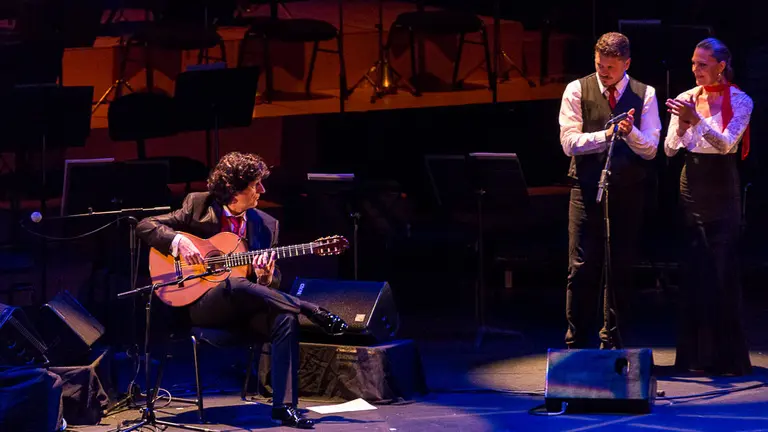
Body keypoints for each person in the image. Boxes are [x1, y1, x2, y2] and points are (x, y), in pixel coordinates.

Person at [137, 152, 348, 428]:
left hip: (243, 305)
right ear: (234, 190)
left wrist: (265, 278)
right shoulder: (198, 205)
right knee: (234, 283)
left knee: (284, 318)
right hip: (199, 305)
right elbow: (145, 225)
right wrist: (178, 241)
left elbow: (269, 286)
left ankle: (284, 407)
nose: (263, 190)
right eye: (256, 185)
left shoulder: (266, 224)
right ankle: (310, 308)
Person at [558, 32, 661, 349]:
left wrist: (630, 135)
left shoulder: (645, 94)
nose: (603, 72)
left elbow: (651, 149)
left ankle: (612, 340)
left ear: (626, 63)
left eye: (611, 68)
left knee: (619, 266)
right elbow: (569, 143)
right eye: (600, 65)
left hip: (627, 190)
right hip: (586, 188)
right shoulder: (577, 89)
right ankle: (576, 340)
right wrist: (607, 134)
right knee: (581, 266)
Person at [664, 38, 752, 376]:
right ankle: (693, 358)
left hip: (722, 186)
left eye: (702, 64)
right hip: (693, 185)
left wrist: (696, 121)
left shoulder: (742, 99)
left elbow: (728, 143)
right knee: (695, 267)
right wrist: (684, 126)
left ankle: (726, 358)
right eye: (693, 63)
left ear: (720, 65)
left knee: (721, 268)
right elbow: (671, 149)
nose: (695, 69)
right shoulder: (686, 98)